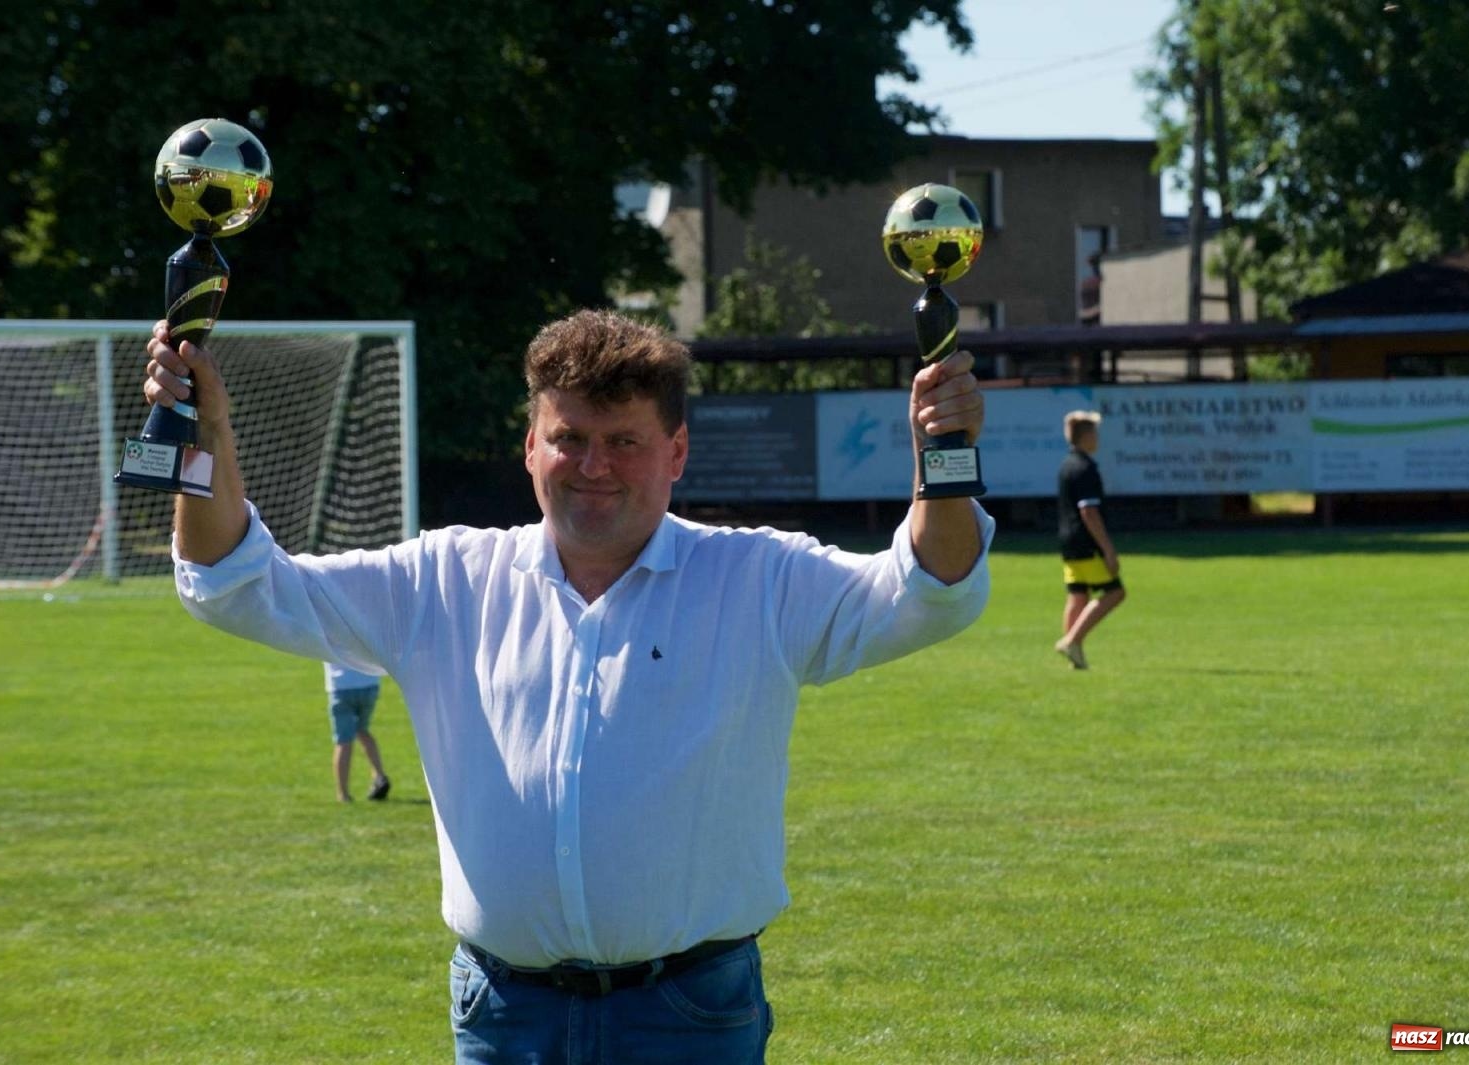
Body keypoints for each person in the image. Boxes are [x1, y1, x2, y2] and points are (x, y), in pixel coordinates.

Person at [141, 308, 992, 1064]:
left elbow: (928, 593)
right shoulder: (445, 579)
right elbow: (234, 584)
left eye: (623, 441)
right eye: (569, 438)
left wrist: (942, 455)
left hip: (691, 1014)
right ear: (529, 446)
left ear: (677, 452)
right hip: (506, 1015)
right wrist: (205, 435)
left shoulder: (756, 577)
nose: (594, 466)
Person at [1054, 410, 1126, 670]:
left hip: (1067, 542)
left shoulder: (1067, 465)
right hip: (1086, 542)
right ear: (1086, 436)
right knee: (1115, 592)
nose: (1097, 438)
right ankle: (1072, 641)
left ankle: (1075, 655)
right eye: (1095, 433)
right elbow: (1089, 511)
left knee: (1077, 596)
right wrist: (1108, 550)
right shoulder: (1086, 468)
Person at [324, 661, 390, 803]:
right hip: (369, 683)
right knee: (362, 730)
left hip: (342, 686)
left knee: (343, 741)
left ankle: (343, 793)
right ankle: (379, 775)